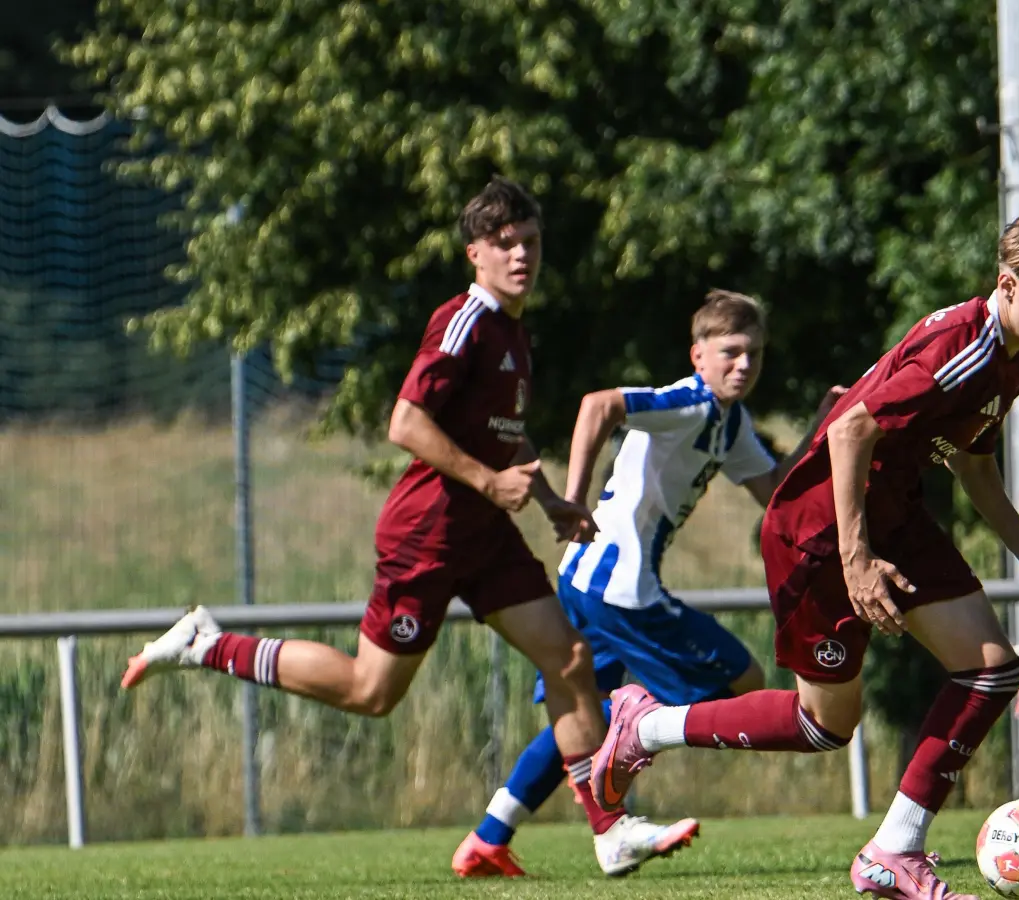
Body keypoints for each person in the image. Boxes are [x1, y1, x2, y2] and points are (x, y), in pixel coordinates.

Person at [121, 175, 688, 877]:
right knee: (372, 692)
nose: (521, 256)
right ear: (474, 253)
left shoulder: (515, 333)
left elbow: (505, 437)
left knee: (569, 660)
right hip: (428, 534)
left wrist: (547, 501)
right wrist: (486, 481)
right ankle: (210, 645)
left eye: (531, 242)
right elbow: (405, 422)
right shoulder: (466, 321)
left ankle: (610, 831)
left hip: (483, 537)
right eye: (504, 244)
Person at [586, 211, 1019, 900]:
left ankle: (893, 852)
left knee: (991, 673)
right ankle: (646, 726)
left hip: (895, 510)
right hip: (821, 524)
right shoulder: (963, 347)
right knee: (821, 724)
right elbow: (850, 430)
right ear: (1008, 284)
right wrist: (855, 558)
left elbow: (973, 461)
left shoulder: (1018, 358)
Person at [452, 289, 845, 876]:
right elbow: (597, 405)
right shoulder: (687, 402)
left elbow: (777, 498)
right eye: (731, 352)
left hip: (588, 583)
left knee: (584, 713)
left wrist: (821, 427)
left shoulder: (729, 422)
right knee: (741, 680)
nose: (744, 365)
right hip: (619, 589)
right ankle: (637, 738)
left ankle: (488, 837)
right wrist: (573, 501)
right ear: (698, 356)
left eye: (755, 355)